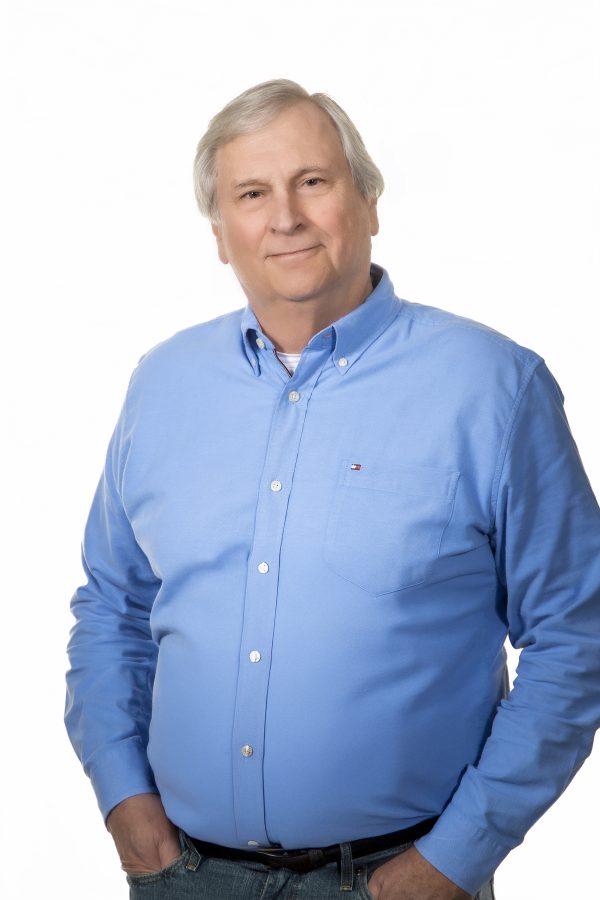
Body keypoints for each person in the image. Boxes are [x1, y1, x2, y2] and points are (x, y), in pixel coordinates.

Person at [64, 78, 600, 900]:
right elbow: (113, 605)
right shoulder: (161, 384)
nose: (285, 217)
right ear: (221, 234)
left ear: (369, 201)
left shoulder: (494, 387)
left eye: (312, 181)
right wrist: (122, 797)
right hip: (182, 875)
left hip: (400, 878)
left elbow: (576, 633)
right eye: (252, 194)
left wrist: (457, 857)